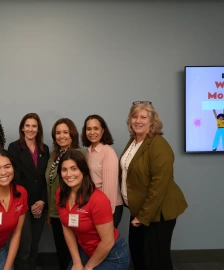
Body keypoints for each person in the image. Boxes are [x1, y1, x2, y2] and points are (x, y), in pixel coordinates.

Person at [120, 101, 188, 270]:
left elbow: (159, 185)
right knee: (139, 255)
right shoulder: (134, 141)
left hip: (157, 213)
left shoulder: (158, 144)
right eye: (134, 116)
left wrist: (143, 217)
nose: (138, 121)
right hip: (139, 210)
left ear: (152, 121)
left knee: (156, 260)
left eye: (143, 117)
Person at [57, 150, 130, 270]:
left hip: (112, 254)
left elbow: (107, 242)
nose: (68, 174)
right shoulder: (61, 194)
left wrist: (88, 267)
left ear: (83, 171)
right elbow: (67, 228)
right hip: (87, 251)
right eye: (64, 170)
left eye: (74, 168)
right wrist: (77, 263)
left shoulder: (98, 200)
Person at [8, 113, 50, 270]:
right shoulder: (14, 147)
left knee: (34, 247)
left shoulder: (44, 149)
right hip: (23, 205)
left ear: (38, 129)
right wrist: (31, 203)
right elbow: (15, 177)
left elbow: (47, 178)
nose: (30, 129)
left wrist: (42, 201)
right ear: (22, 128)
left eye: (34, 126)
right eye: (27, 126)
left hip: (40, 204)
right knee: (23, 248)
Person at [45, 118, 86, 270]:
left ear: (72, 134)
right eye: (58, 133)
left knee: (73, 254)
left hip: (72, 212)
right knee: (62, 252)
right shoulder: (54, 155)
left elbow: (84, 184)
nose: (61, 136)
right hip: (56, 212)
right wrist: (50, 212)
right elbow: (50, 184)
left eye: (65, 132)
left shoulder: (77, 154)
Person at [81, 114, 123, 228]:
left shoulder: (108, 152)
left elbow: (110, 187)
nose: (92, 132)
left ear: (103, 130)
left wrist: (106, 212)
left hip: (109, 207)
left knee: (105, 244)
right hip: (94, 204)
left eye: (96, 128)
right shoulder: (88, 151)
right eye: (88, 129)